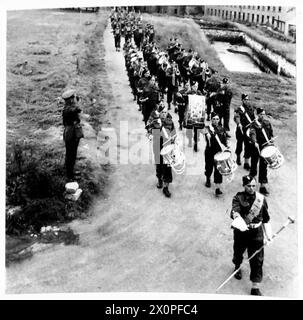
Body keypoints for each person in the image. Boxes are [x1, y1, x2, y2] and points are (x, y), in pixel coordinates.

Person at [230, 175, 272, 296]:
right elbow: (235, 212)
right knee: (238, 252)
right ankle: (237, 266)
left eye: (254, 185)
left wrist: (268, 235)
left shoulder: (261, 199)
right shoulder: (238, 197)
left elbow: (266, 219)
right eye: (249, 186)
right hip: (242, 231)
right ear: (244, 186)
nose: (251, 188)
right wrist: (238, 219)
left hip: (257, 233)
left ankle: (255, 286)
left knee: (257, 260)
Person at [146, 102, 176, 198]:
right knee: (159, 164)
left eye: (165, 112)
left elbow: (174, 133)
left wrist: (173, 140)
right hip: (157, 145)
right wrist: (150, 135)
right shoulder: (155, 122)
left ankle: (166, 187)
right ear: (159, 113)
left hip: (167, 147)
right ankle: (159, 178)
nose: (164, 114)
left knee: (167, 166)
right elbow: (148, 131)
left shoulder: (170, 122)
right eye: (162, 112)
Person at [249, 107, 274, 195]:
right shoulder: (254, 124)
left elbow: (270, 133)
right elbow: (252, 133)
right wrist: (254, 141)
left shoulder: (267, 123)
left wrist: (271, 140)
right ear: (257, 115)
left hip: (265, 147)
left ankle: (262, 186)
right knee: (254, 164)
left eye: (263, 114)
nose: (262, 116)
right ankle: (251, 182)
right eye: (260, 114)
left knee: (264, 166)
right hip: (256, 147)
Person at [204, 112, 229, 196]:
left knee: (218, 170)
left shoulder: (222, 128)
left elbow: (224, 140)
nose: (215, 121)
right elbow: (203, 130)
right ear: (211, 119)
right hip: (210, 152)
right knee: (209, 167)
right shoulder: (208, 127)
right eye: (214, 119)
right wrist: (207, 134)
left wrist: (227, 145)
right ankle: (208, 178)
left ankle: (217, 188)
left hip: (219, 152)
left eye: (217, 119)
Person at [62, 89, 83, 181]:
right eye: (73, 97)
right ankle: (69, 175)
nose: (75, 99)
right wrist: (79, 102)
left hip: (72, 131)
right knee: (70, 153)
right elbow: (79, 109)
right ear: (70, 100)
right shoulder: (69, 109)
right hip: (71, 133)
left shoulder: (69, 107)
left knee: (73, 153)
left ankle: (71, 172)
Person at [234, 94, 256, 169]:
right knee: (239, 144)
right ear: (242, 100)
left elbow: (253, 118)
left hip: (248, 130)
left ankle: (246, 163)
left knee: (248, 146)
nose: (246, 101)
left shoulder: (251, 108)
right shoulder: (239, 109)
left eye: (247, 100)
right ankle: (238, 157)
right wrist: (238, 123)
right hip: (240, 129)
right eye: (245, 100)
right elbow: (237, 116)